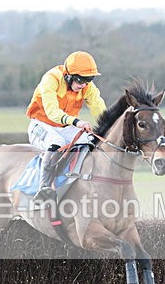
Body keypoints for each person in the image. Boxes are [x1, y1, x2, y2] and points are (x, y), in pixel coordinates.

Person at [26, 51, 106, 202]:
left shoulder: (86, 86)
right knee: (57, 142)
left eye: (88, 80)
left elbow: (98, 107)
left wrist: (110, 124)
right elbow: (52, 112)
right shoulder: (51, 79)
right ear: (68, 75)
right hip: (41, 124)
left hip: (65, 126)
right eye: (80, 80)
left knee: (91, 141)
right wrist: (77, 122)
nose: (83, 85)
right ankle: (44, 188)